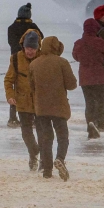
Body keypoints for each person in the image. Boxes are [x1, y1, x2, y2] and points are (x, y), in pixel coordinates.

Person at [28, 36, 78, 180]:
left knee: (46, 138)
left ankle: (47, 170)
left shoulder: (34, 64)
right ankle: (60, 158)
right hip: (59, 106)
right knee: (63, 136)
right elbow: (72, 84)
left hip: (41, 107)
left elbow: (32, 86)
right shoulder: (62, 62)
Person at [4, 29, 43, 171]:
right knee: (26, 132)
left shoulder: (43, 58)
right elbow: (8, 80)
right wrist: (10, 95)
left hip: (40, 102)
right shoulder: (15, 58)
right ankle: (33, 154)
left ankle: (44, 159)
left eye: (32, 48)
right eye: (27, 48)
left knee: (42, 130)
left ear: (37, 47)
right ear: (23, 46)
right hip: (23, 101)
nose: (30, 51)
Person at [73, 18, 104, 138]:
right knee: (102, 101)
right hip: (99, 76)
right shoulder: (99, 42)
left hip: (85, 77)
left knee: (89, 102)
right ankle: (100, 123)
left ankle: (90, 123)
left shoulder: (79, 43)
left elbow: (75, 56)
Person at [7, 3, 43, 127]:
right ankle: (33, 115)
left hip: (15, 59)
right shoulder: (33, 27)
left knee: (16, 87)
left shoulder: (11, 27)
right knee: (32, 86)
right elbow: (41, 37)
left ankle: (12, 117)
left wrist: (20, 52)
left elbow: (11, 43)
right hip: (33, 58)